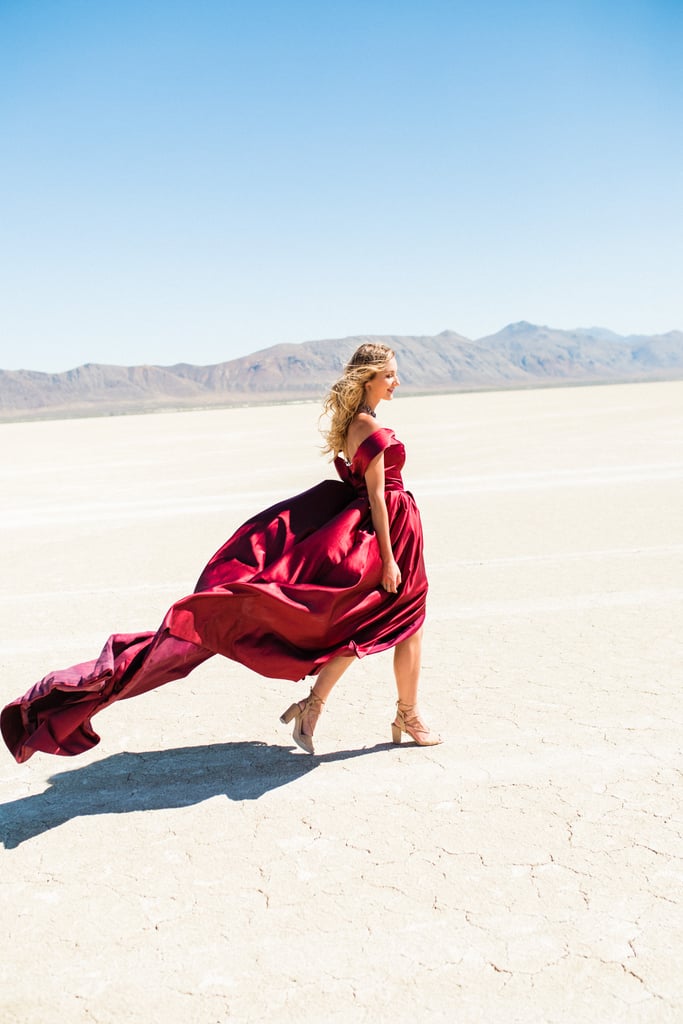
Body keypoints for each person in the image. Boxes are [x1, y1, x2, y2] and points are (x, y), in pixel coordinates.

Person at [1, 343, 441, 763]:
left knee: (377, 624)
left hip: (384, 532)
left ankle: (334, 706)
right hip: (385, 535)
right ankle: (396, 711)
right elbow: (378, 498)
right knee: (394, 623)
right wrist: (389, 559)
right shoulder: (368, 427)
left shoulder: (357, 424)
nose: (396, 382)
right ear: (367, 380)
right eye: (389, 375)